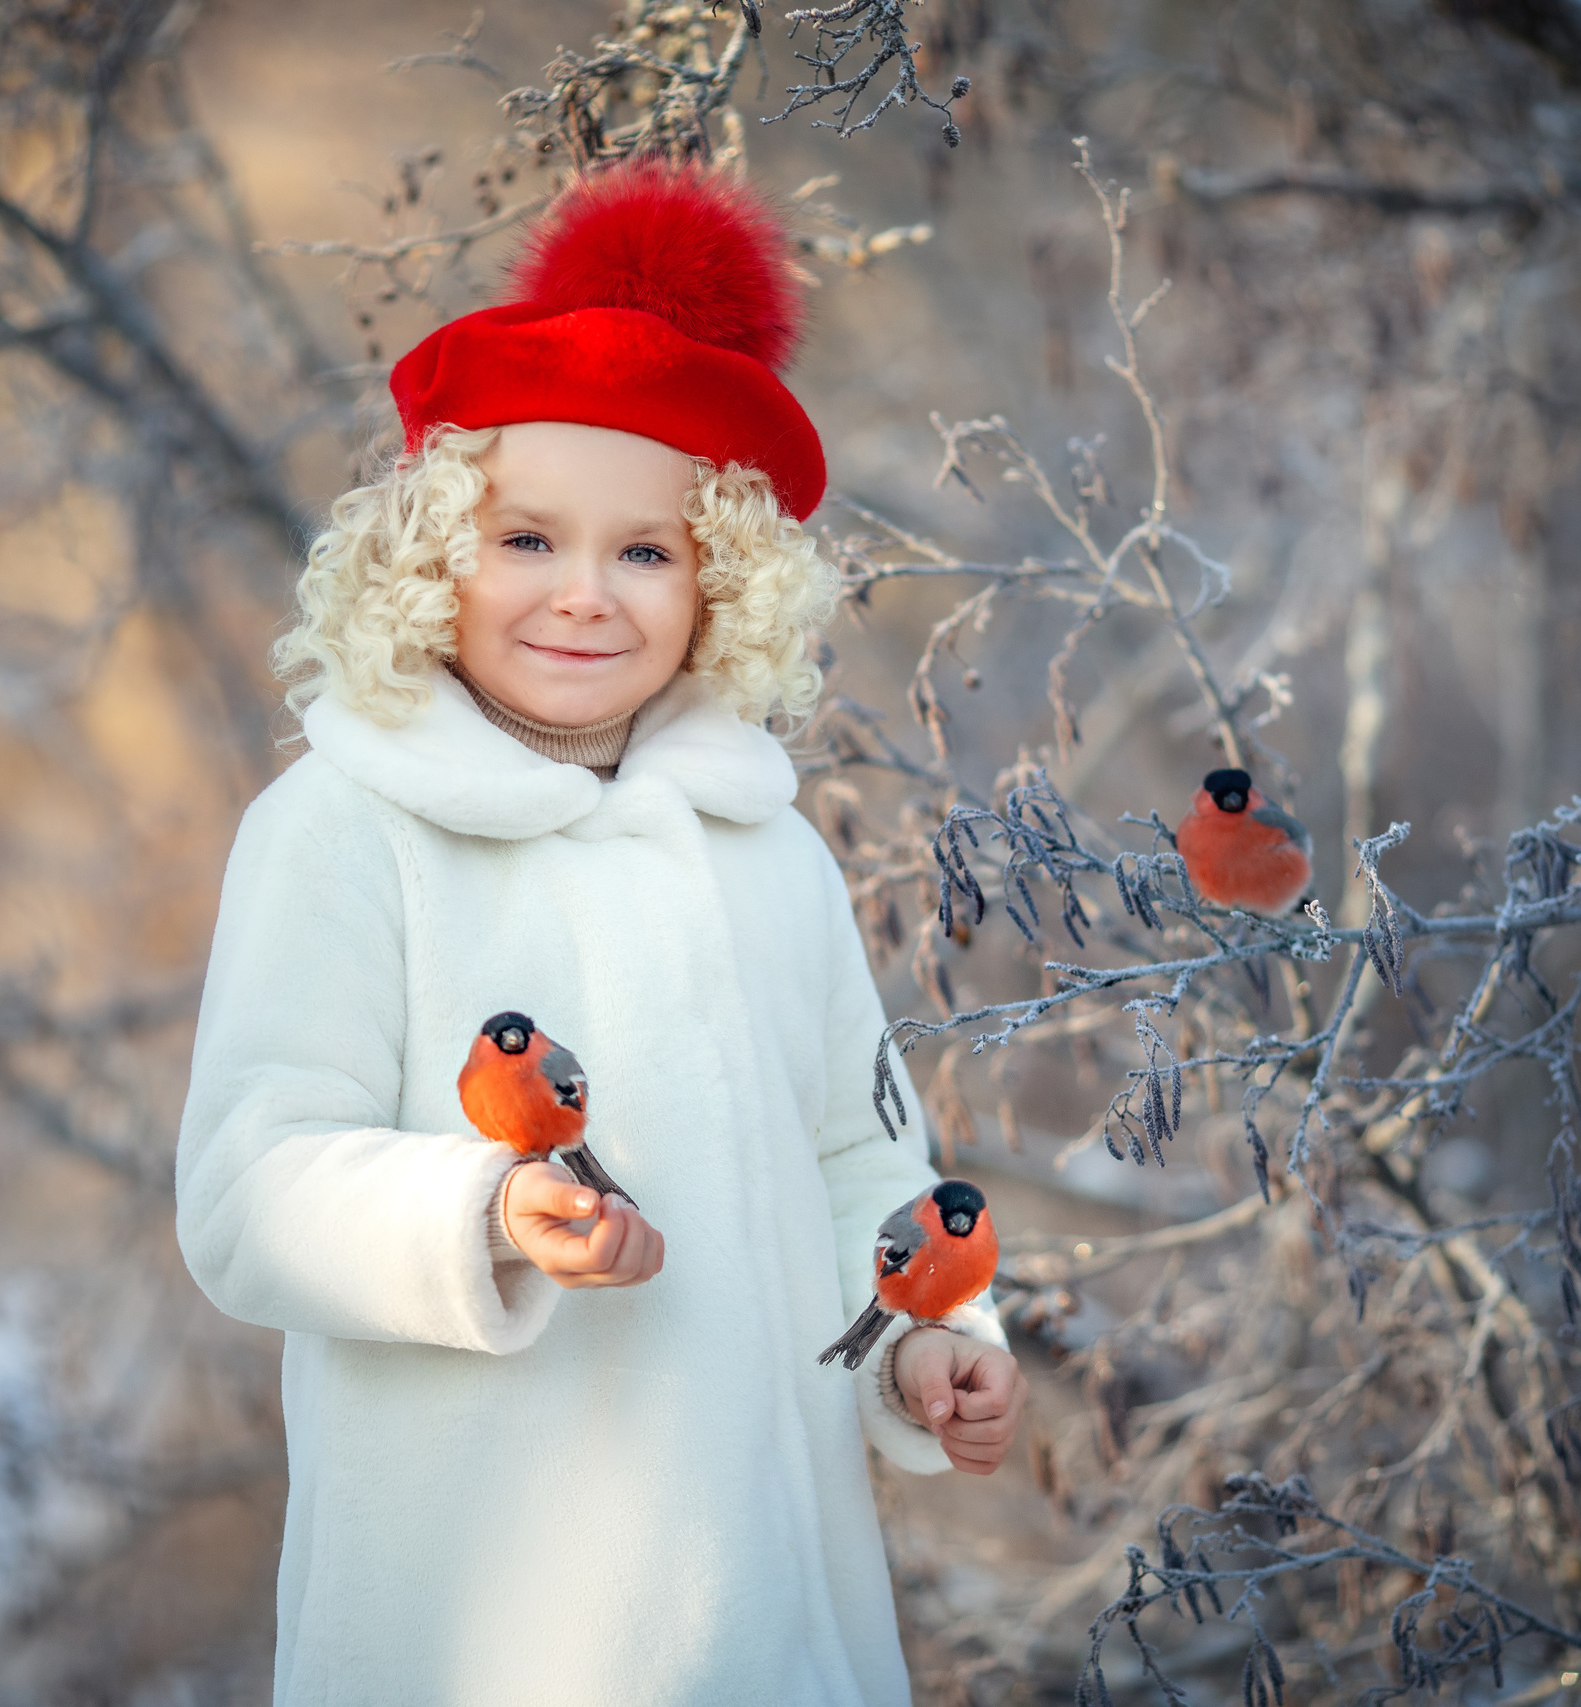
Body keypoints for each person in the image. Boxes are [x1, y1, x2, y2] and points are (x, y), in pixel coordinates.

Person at [175, 161, 1022, 1705]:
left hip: (770, 1622)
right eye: (526, 541)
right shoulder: (345, 829)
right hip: (484, 1635)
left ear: (719, 588)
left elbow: (858, 1157)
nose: (582, 596)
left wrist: (918, 1341)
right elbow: (248, 1189)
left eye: (644, 552)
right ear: (433, 554)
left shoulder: (764, 850)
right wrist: (487, 1214)